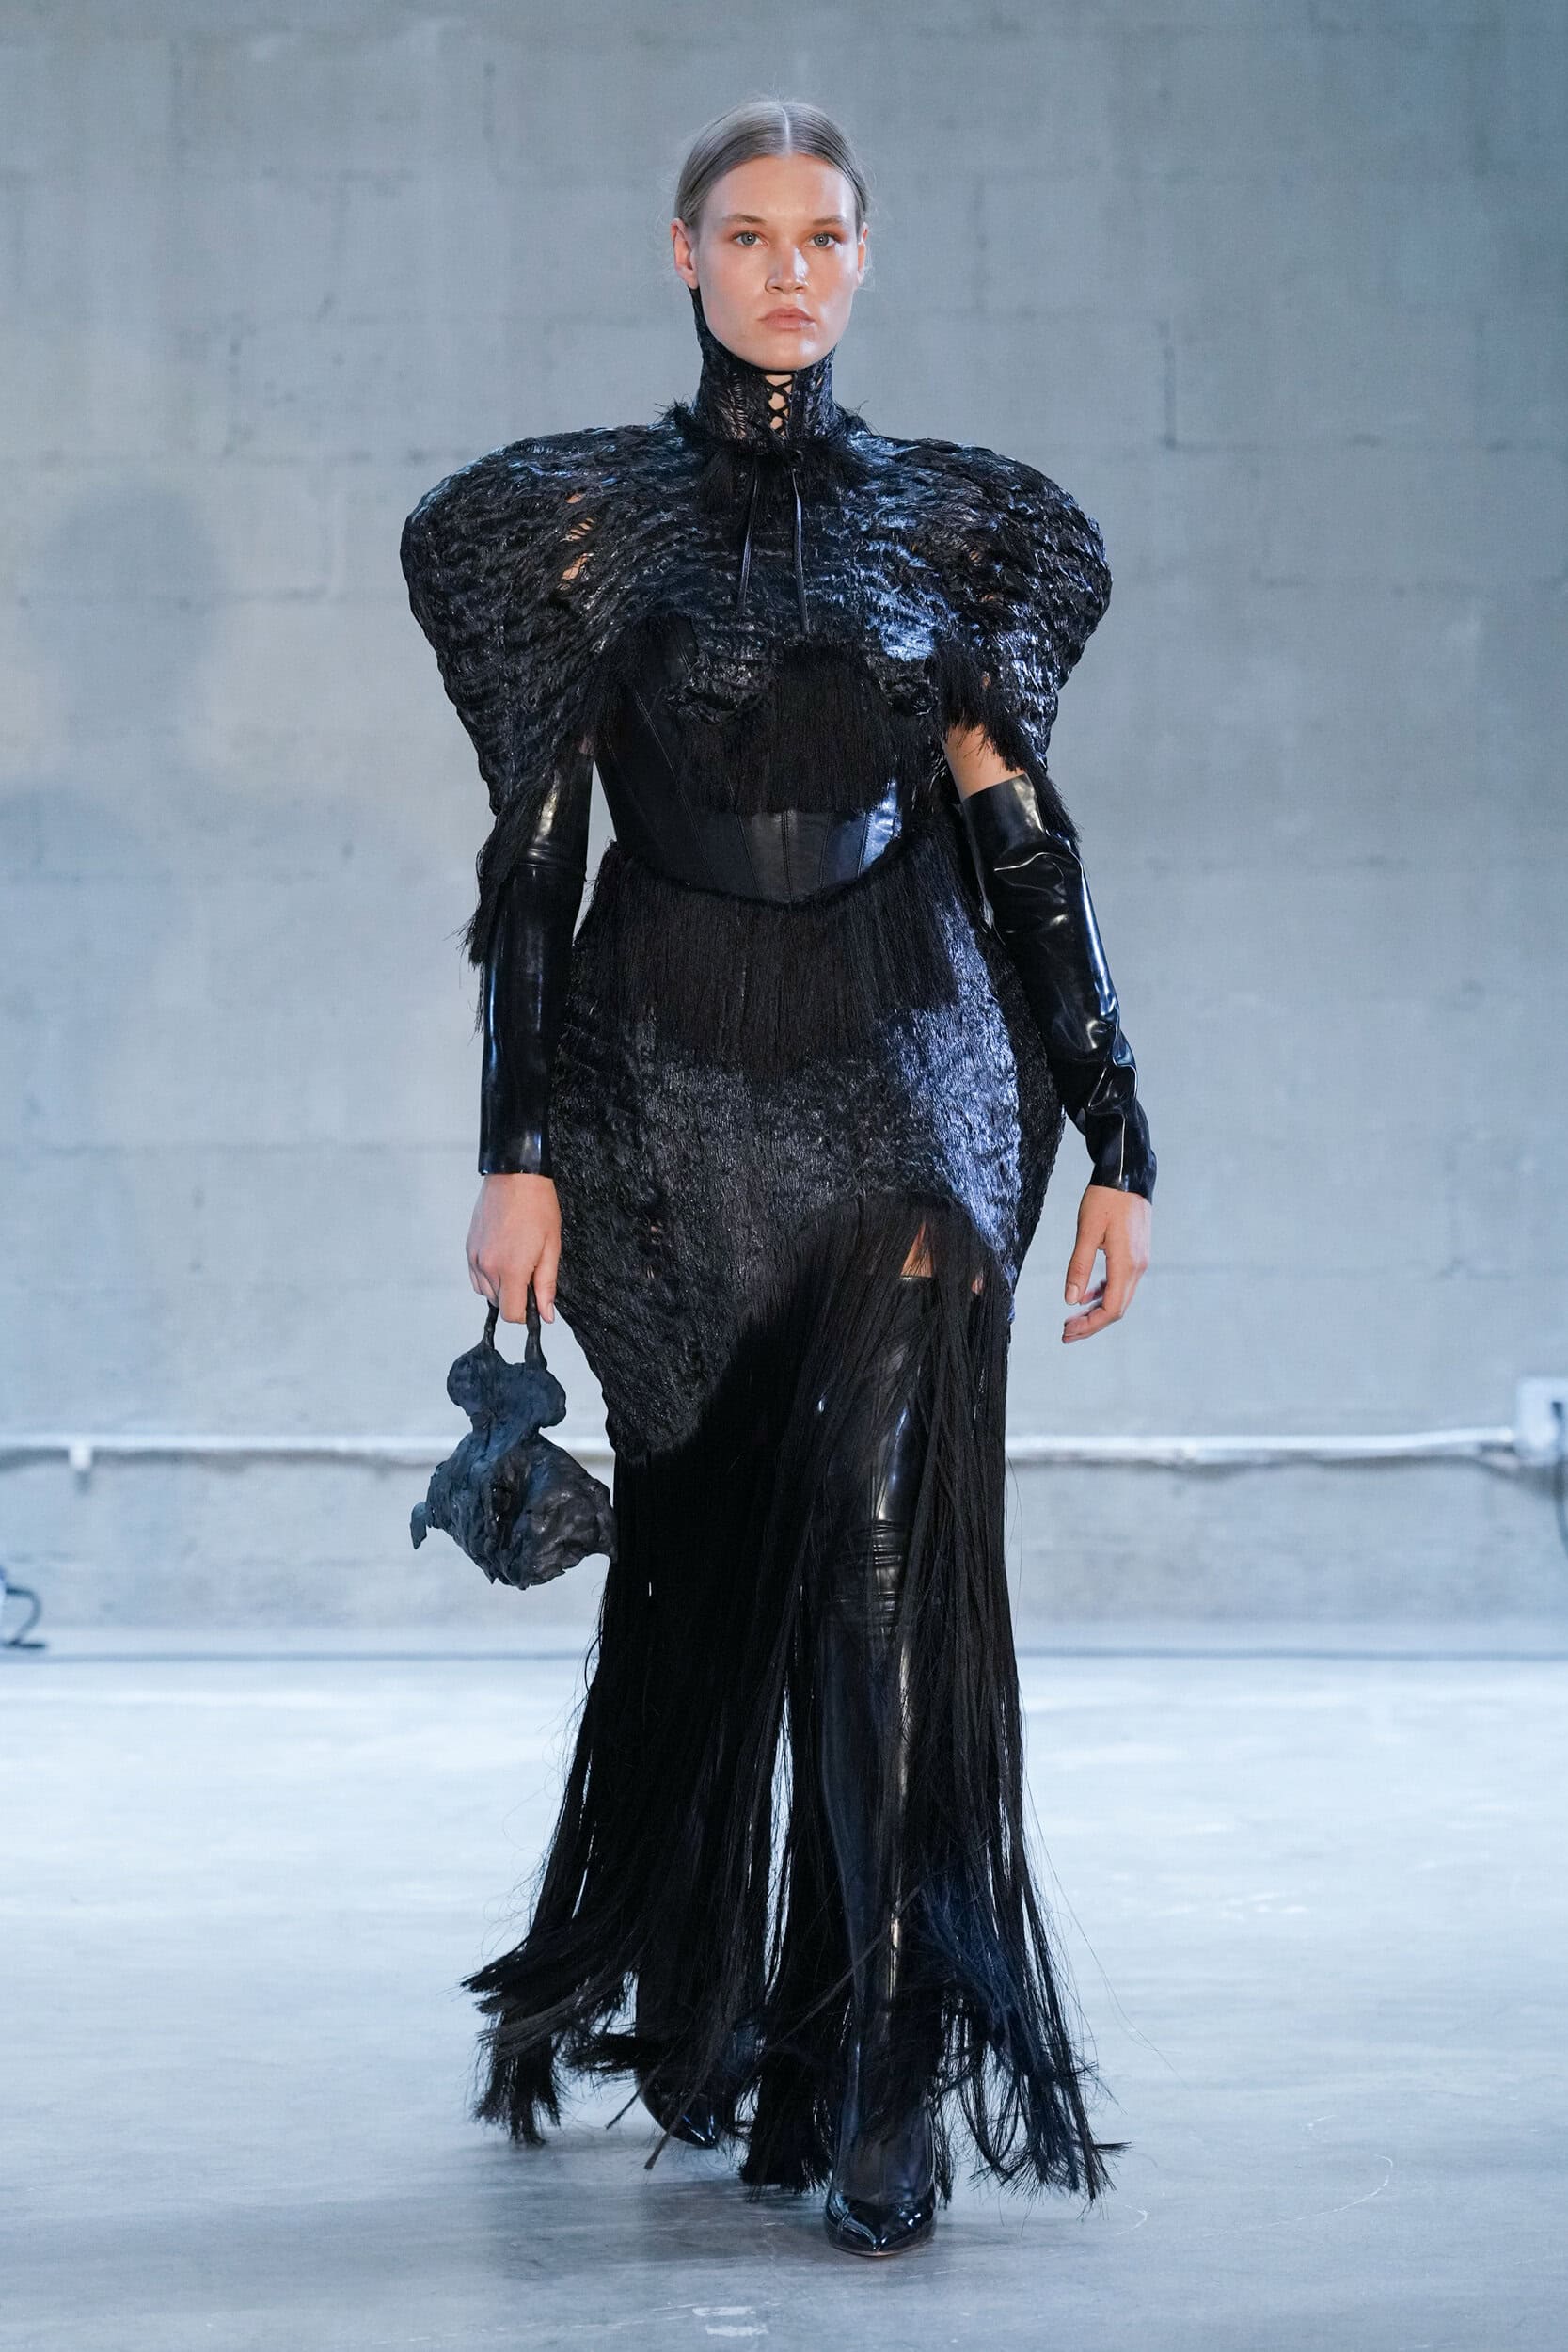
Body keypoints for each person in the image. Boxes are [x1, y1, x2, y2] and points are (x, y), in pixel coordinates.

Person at [400, 97, 1155, 2262]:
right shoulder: (564, 527)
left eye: (825, 235)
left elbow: (1021, 840)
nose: (790, 270)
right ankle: (774, 2029)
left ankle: (895, 2062)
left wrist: (1117, 1126)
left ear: (862, 259)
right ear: (685, 255)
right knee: (725, 1553)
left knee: (884, 1561)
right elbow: (533, 873)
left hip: (916, 1064)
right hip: (662, 1092)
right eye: (751, 235)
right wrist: (515, 1152)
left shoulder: (962, 527)